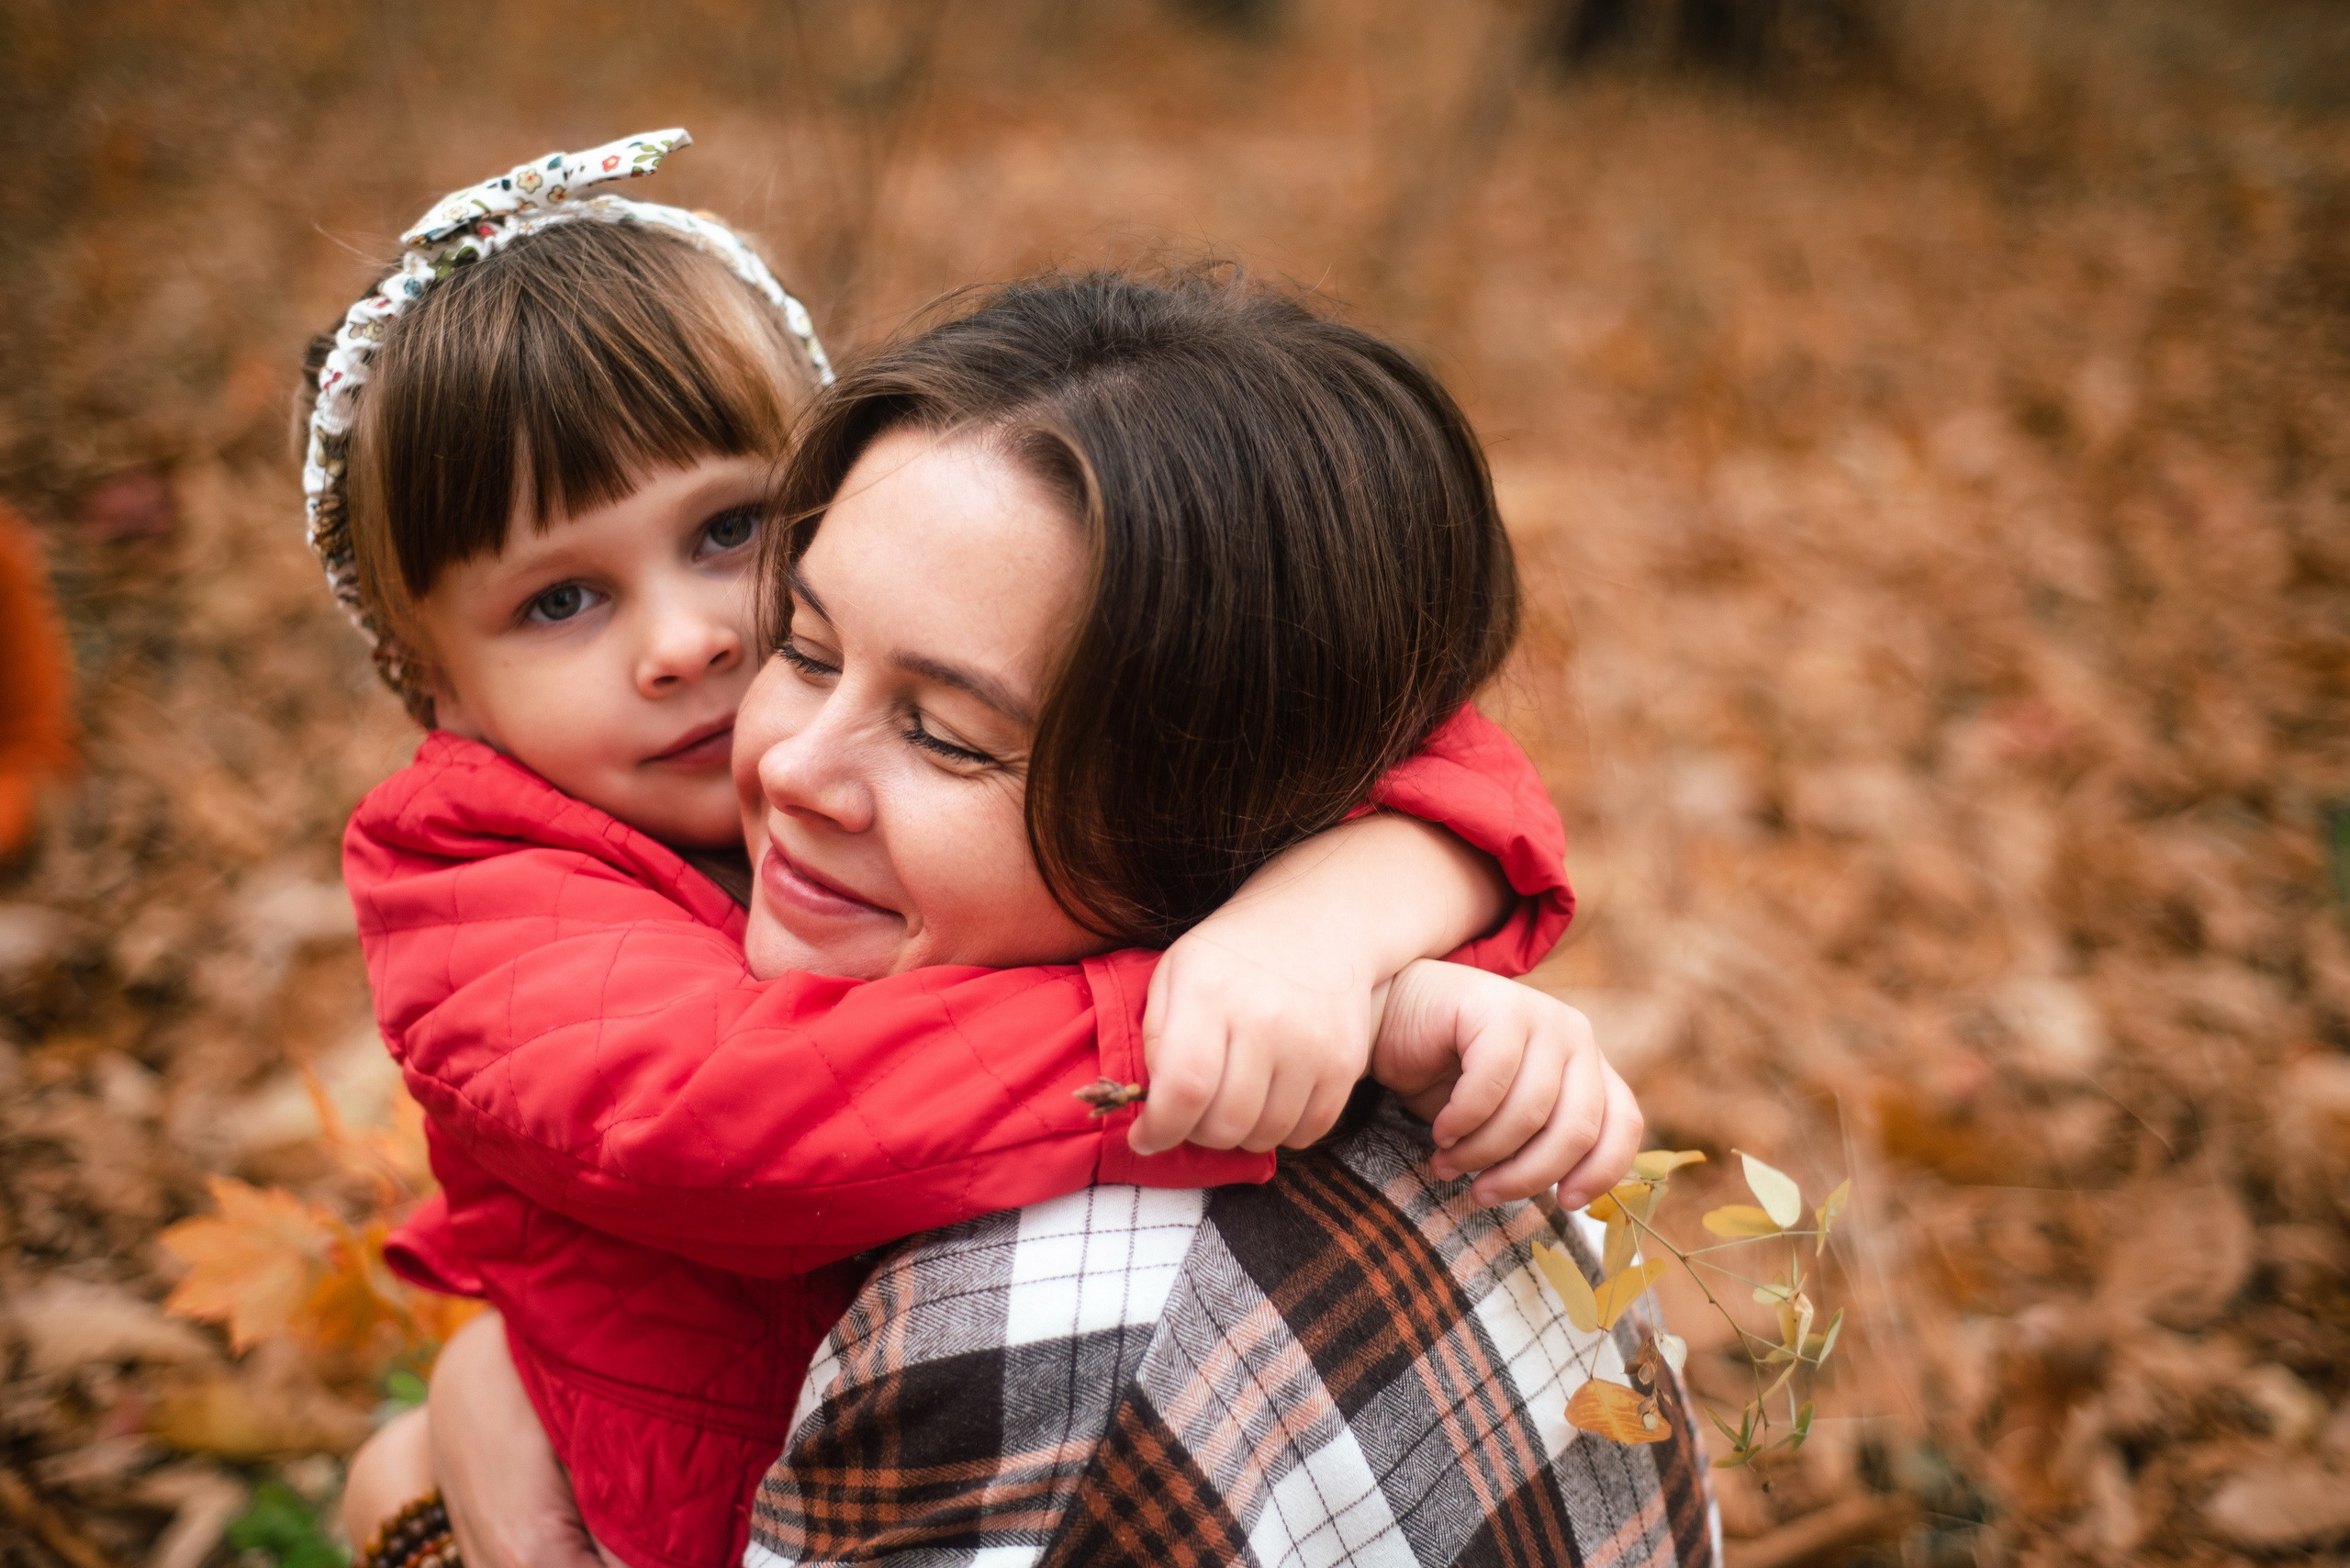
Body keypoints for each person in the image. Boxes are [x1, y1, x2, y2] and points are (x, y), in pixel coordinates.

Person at [304, 136, 1627, 1568]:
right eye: (562, 600)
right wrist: (1201, 1015)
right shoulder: (464, 882)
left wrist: (1320, 940)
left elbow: (1441, 756)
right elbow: (743, 1111)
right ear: (427, 679)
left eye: (732, 532)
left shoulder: (1117, 1341)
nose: (689, 643)